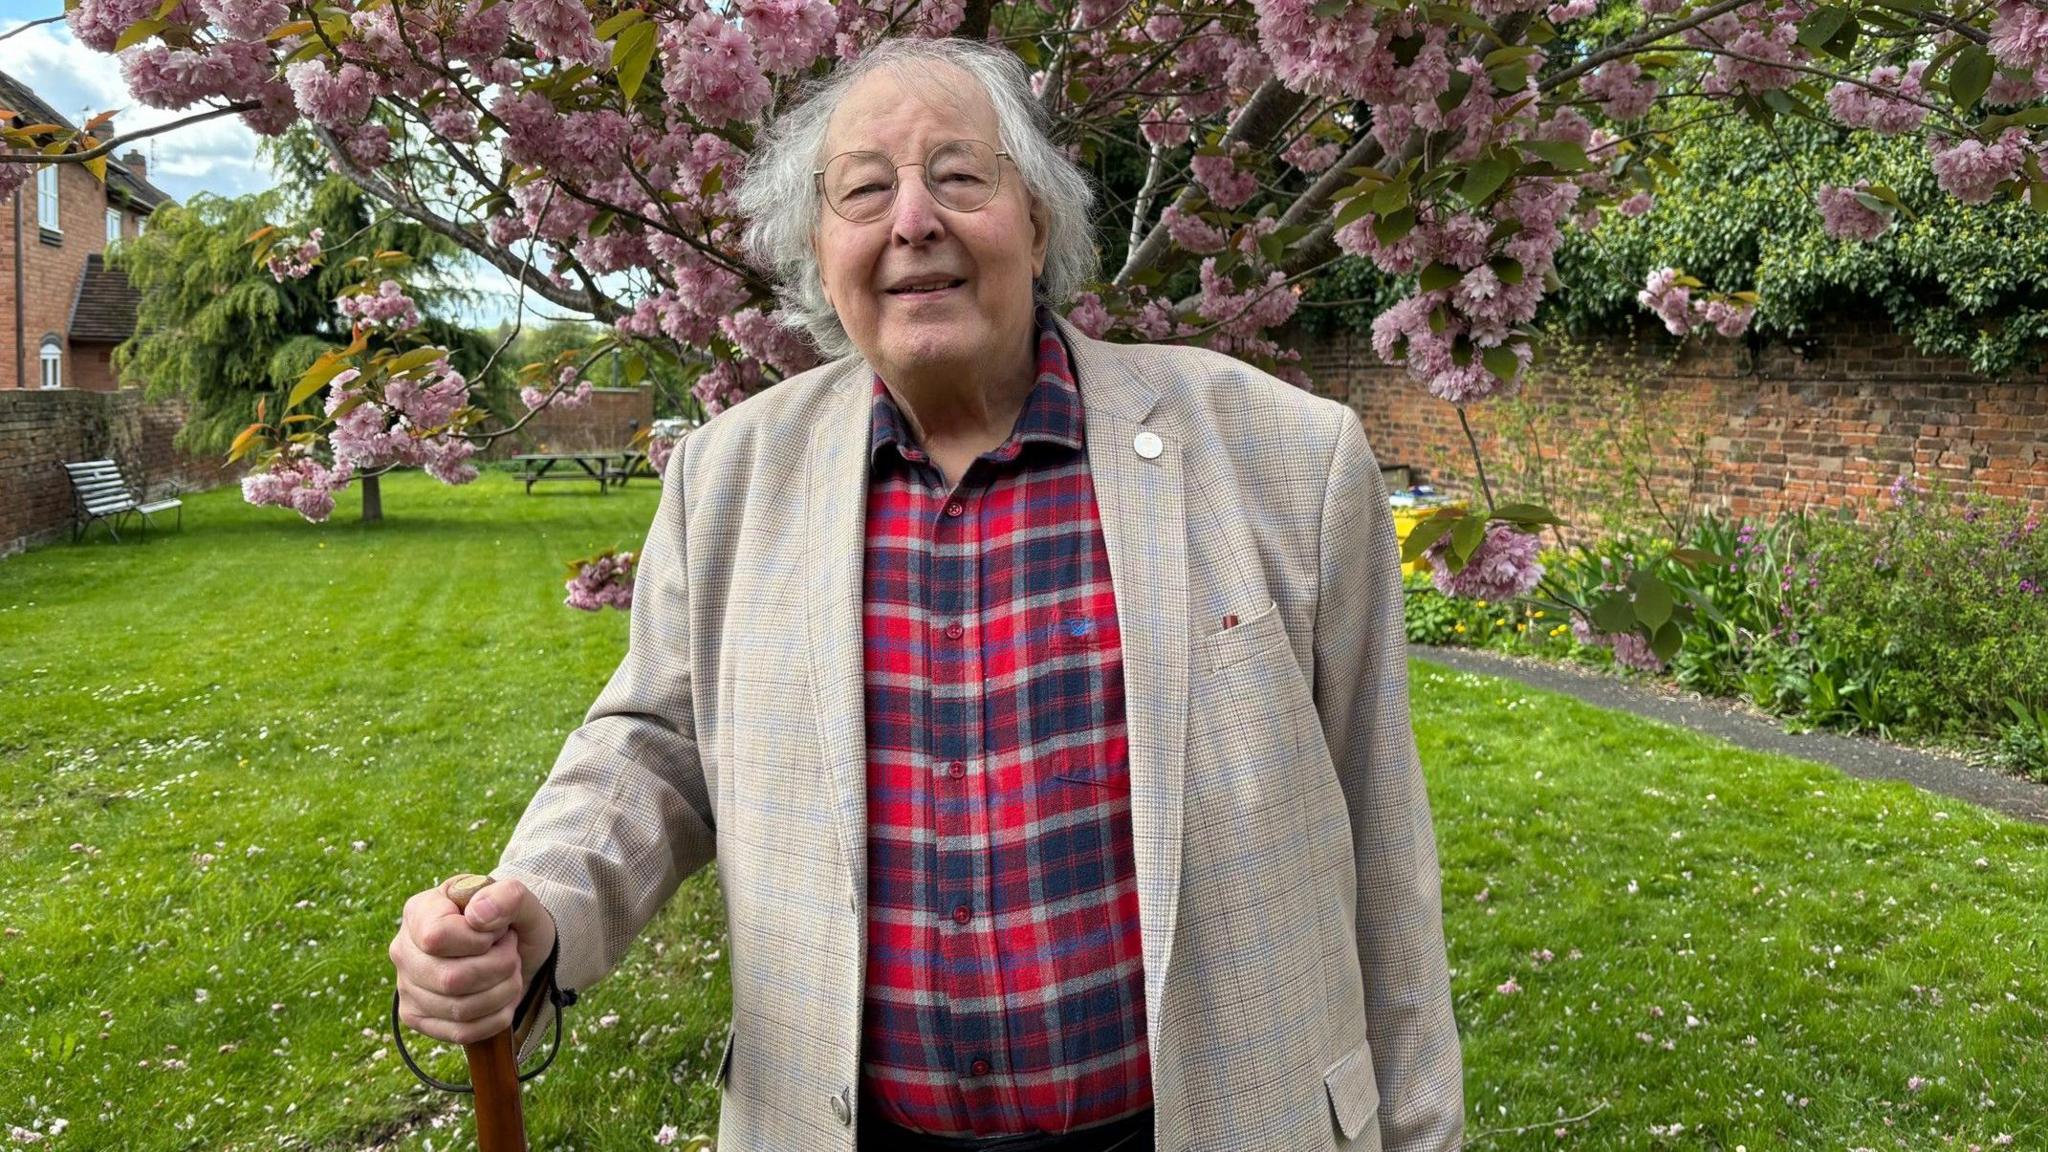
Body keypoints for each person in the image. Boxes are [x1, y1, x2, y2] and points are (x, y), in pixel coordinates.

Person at [389, 35, 1463, 1152]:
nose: (913, 222)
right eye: (864, 190)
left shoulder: (1288, 460)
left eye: (959, 176)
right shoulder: (726, 477)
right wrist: (538, 911)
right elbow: (655, 745)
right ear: (819, 249)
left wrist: (1422, 1130)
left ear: (1037, 221)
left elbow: (1386, 848)